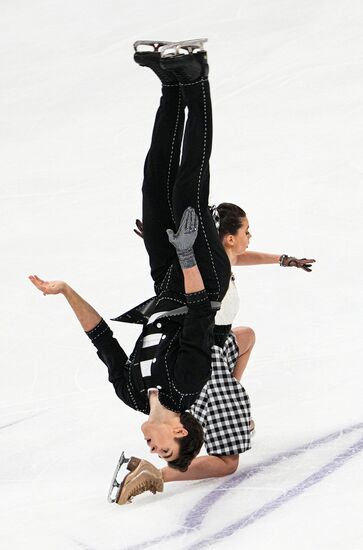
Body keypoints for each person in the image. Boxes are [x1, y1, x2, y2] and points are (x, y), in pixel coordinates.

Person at [29, 39, 234, 493]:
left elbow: (101, 338)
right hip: (201, 279)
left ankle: (169, 86)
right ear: (180, 432)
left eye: (156, 454)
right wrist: (185, 255)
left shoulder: (132, 394)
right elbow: (201, 312)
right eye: (164, 451)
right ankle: (196, 79)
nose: (153, 448)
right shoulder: (187, 385)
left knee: (153, 181)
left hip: (165, 282)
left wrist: (67, 291)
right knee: (187, 189)